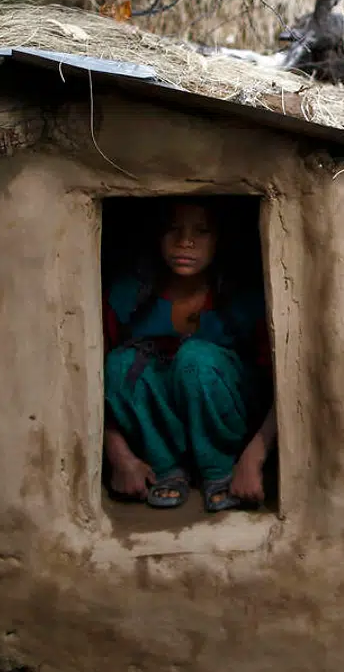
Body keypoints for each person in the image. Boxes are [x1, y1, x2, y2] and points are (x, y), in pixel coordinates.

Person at [101, 198, 275, 512]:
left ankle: (218, 469)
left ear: (220, 240)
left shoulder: (244, 299)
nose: (185, 242)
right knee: (118, 364)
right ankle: (166, 468)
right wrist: (119, 457)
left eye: (202, 231)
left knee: (195, 358)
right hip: (159, 432)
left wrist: (254, 458)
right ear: (156, 236)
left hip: (232, 428)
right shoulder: (128, 295)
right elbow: (87, 381)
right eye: (173, 229)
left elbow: (285, 387)